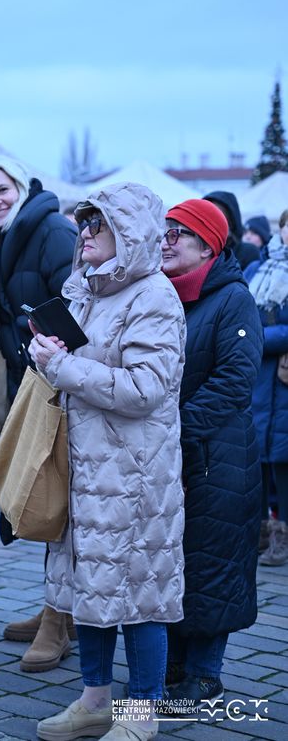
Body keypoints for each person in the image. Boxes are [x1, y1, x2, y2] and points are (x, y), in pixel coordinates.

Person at [32, 183, 186, 741]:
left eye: (98, 223)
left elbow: (147, 388)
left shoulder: (154, 296)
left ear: (130, 231)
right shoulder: (85, 291)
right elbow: (76, 363)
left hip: (135, 472)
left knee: (139, 588)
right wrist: (47, 353)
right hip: (83, 463)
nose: (86, 233)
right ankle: (95, 699)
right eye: (84, 222)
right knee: (86, 585)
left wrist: (64, 367)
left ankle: (144, 709)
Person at [0, 155, 77, 672]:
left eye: (1, 190)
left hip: (65, 384)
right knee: (45, 496)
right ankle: (54, 606)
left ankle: (62, 621)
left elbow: (76, 305)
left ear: (20, 186)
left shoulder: (53, 229)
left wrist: (54, 352)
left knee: (61, 500)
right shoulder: (3, 241)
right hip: (31, 381)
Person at [160, 198, 263, 711]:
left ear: (209, 244)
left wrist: (174, 430)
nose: (167, 238)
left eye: (180, 232)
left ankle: (205, 676)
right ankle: (174, 664)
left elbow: (235, 381)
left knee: (211, 561)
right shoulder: (163, 296)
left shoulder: (232, 298)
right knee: (174, 559)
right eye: (166, 229)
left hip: (218, 457)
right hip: (173, 454)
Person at [245, 209, 288, 566]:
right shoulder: (259, 269)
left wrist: (256, 336)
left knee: (283, 462)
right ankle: (258, 532)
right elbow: (241, 309)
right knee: (257, 457)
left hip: (283, 380)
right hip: (256, 378)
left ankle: (282, 537)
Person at [202, 190, 260, 270]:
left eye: (217, 217)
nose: (210, 222)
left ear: (230, 221)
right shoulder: (199, 251)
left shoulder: (248, 252)